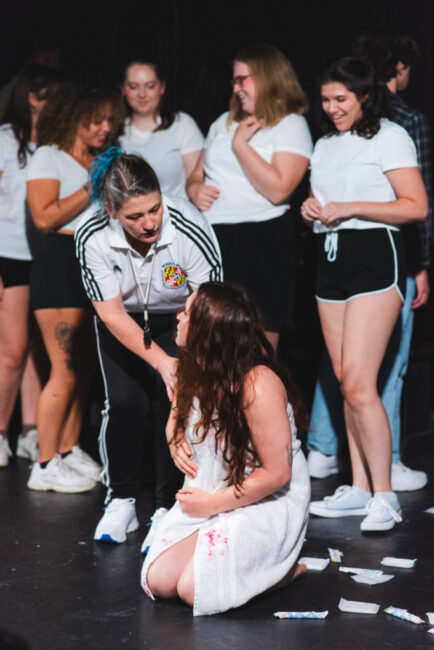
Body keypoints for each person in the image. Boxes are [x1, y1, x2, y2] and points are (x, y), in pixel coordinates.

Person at [301, 57, 427, 532]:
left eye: (342, 99)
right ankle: (356, 487)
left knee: (358, 381)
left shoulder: (390, 135)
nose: (332, 108)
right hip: (330, 259)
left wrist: (350, 207)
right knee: (341, 379)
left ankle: (385, 495)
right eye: (326, 99)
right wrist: (309, 210)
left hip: (378, 257)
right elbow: (316, 204)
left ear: (366, 97)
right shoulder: (325, 144)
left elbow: (416, 205)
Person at [74, 149, 222, 545]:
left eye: (154, 209)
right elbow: (111, 314)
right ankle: (121, 500)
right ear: (111, 210)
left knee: (172, 403)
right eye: (135, 216)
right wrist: (159, 361)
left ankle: (165, 506)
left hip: (180, 320)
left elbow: (210, 302)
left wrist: (179, 361)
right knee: (124, 404)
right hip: (122, 320)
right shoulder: (91, 235)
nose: (150, 222)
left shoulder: (189, 226)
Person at [141, 281, 310, 616]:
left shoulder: (257, 384)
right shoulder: (193, 362)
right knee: (160, 581)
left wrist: (212, 504)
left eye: (187, 313)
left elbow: (277, 473)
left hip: (264, 496)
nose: (178, 317)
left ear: (207, 332)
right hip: (212, 491)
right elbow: (178, 409)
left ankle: (281, 570)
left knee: (193, 590)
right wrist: (174, 434)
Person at [25, 83, 124, 493]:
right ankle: (44, 463)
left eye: (108, 121)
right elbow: (45, 217)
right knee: (62, 369)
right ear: (73, 118)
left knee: (83, 369)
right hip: (59, 261)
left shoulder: (101, 157)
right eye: (95, 120)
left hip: (94, 260)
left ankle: (67, 450)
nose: (104, 128)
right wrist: (91, 185)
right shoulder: (48, 155)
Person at [187, 44, 312, 349]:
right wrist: (194, 190)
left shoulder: (291, 123)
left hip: (263, 238)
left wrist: (241, 145)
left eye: (243, 79)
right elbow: (194, 174)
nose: (236, 87)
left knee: (259, 346)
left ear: (268, 77)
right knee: (210, 338)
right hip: (214, 236)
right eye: (234, 80)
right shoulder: (223, 122)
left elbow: (279, 190)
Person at [0, 64, 61, 468]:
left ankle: (30, 430)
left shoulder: (59, 143)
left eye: (50, 94)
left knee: (40, 349)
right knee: (13, 349)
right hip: (8, 252)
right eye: (37, 94)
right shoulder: (4, 140)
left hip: (49, 253)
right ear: (25, 97)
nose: (44, 102)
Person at [119, 60, 204, 199]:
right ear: (123, 89)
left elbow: (196, 179)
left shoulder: (182, 124)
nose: (142, 94)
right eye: (134, 86)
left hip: (175, 216)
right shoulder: (112, 130)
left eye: (150, 86)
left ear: (162, 87)